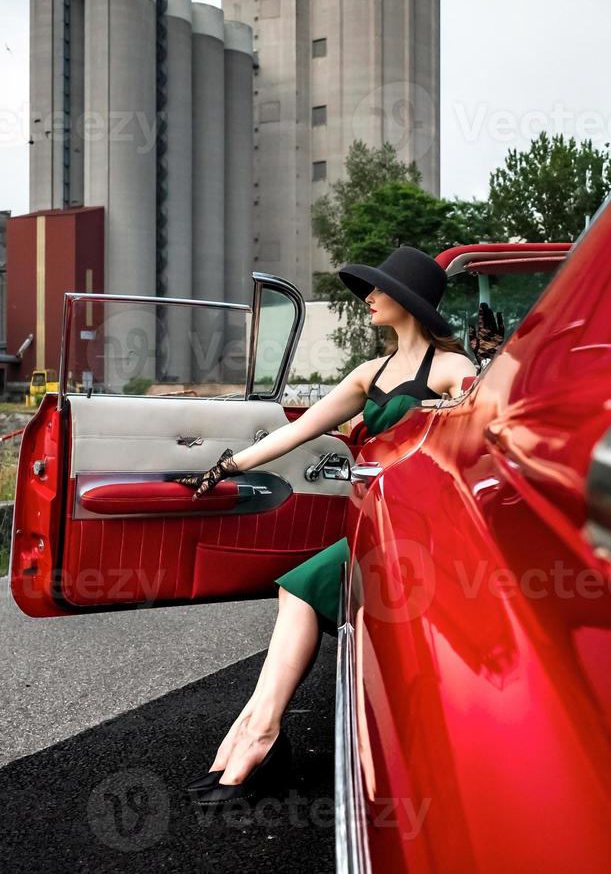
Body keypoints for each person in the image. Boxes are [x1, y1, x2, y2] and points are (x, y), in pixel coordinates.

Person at [174, 245, 492, 805]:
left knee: (299, 588)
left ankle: (259, 735)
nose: (368, 298)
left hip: (427, 532)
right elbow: (299, 431)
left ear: (408, 302)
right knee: (296, 589)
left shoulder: (453, 370)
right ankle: (257, 730)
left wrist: (454, 409)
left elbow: (477, 444)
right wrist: (229, 465)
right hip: (378, 523)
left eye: (379, 289)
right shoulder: (369, 373)